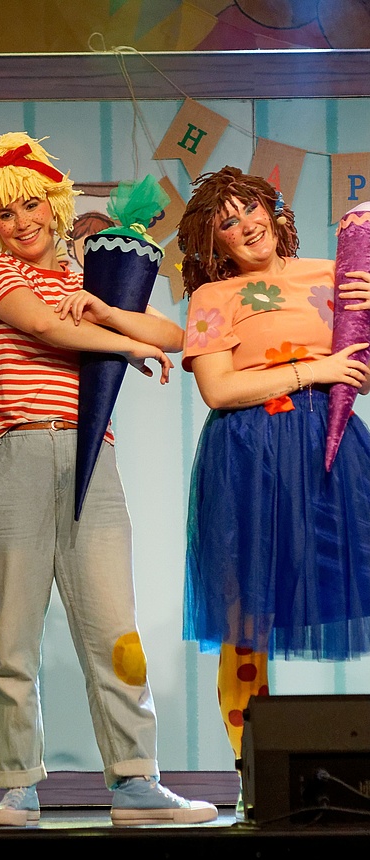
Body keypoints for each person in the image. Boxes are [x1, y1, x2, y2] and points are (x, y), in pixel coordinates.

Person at [0, 130, 218, 827]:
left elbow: (176, 336)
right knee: (12, 631)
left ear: (55, 203)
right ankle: (18, 783)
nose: (22, 223)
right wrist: (125, 345)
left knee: (114, 628)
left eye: (31, 205)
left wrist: (111, 313)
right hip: (11, 452)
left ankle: (136, 781)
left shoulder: (87, 275)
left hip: (89, 456)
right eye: (5, 213)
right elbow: (47, 329)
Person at [177, 166, 370, 792]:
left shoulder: (334, 275)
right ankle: (253, 774)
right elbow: (219, 390)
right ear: (215, 242)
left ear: (274, 210)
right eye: (226, 223)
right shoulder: (212, 298)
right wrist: (314, 371)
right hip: (249, 455)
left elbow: (360, 366)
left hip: (329, 447)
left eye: (250, 209)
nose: (245, 226)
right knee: (245, 617)